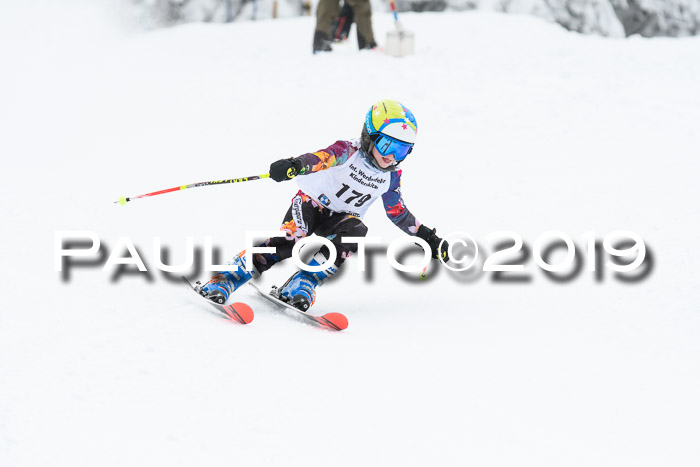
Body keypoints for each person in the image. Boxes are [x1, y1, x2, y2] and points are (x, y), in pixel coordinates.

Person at [196, 99, 449, 311]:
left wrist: (428, 237)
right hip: (310, 203)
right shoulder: (348, 151)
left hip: (340, 219)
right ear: (369, 136)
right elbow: (319, 159)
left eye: (402, 150)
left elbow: (398, 213)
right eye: (387, 145)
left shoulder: (391, 176)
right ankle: (227, 278)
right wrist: (294, 165)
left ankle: (305, 280)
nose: (392, 156)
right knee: (290, 240)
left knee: (357, 233)